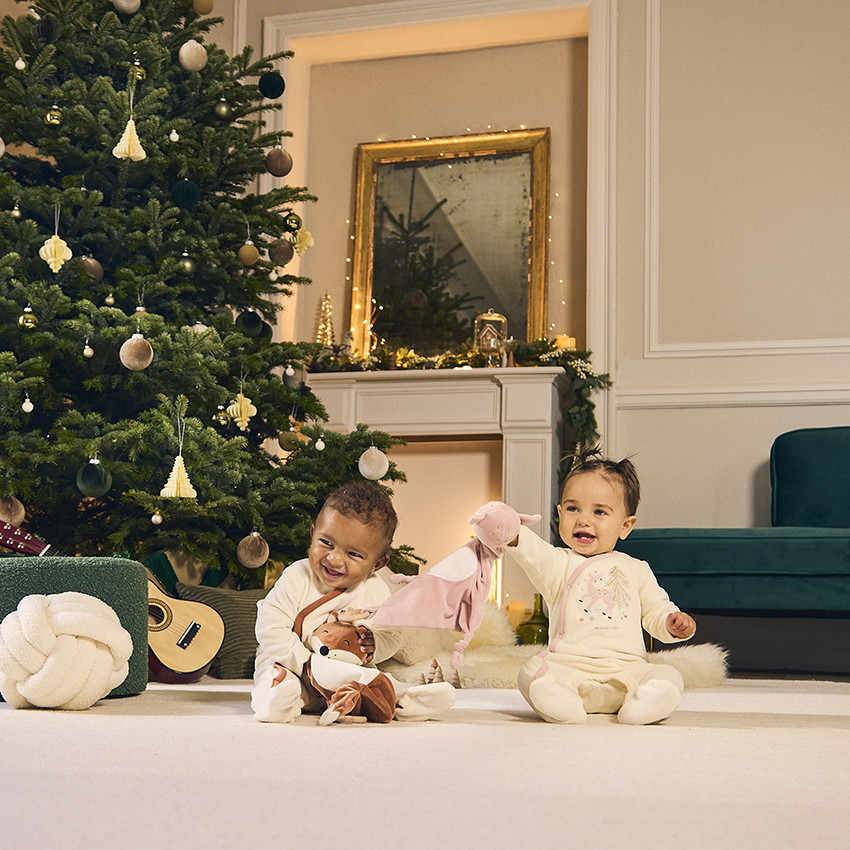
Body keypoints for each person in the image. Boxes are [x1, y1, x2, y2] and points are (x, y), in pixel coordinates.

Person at [503, 447, 696, 725]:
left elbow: (656, 611)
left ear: (625, 526)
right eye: (572, 508)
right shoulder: (559, 563)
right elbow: (534, 552)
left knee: (668, 676)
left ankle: (646, 703)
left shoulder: (636, 569)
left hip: (627, 672)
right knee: (530, 674)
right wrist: (512, 532)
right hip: (570, 670)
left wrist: (671, 622)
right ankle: (563, 704)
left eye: (599, 512)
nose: (583, 519)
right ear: (560, 514)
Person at [251, 480, 454, 723]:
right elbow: (269, 628)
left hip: (343, 672)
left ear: (377, 565)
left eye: (354, 554)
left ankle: (407, 699)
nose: (334, 559)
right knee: (272, 676)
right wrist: (305, 664)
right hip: (290, 660)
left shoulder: (375, 589)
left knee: (372, 682)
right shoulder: (297, 576)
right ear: (313, 533)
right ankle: (277, 700)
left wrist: (375, 643)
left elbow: (392, 635)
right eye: (326, 543)